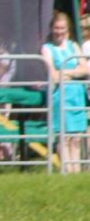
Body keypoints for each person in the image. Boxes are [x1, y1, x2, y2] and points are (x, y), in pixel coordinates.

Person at [42, 10, 87, 174]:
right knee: (63, 137)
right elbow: (52, 74)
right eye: (56, 28)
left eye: (62, 28)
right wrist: (73, 71)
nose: (59, 31)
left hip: (76, 95)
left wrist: (66, 73)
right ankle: (66, 171)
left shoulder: (73, 45)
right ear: (51, 28)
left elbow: (85, 69)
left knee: (75, 138)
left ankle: (76, 171)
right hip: (59, 96)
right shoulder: (47, 49)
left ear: (67, 29)